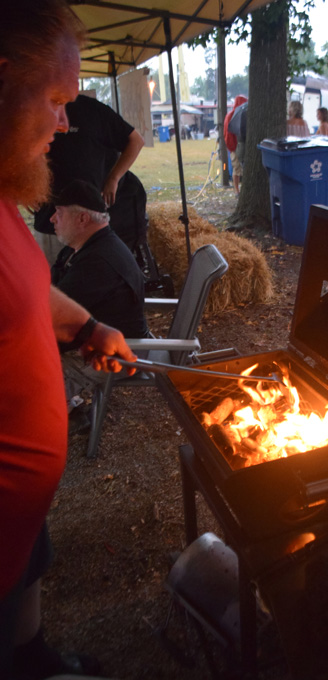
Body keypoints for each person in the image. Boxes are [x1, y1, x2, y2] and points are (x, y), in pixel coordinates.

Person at [0, 3, 137, 678]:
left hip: (19, 516)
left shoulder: (1, 198)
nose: (64, 123)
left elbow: (21, 289)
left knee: (28, 579)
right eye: (55, 101)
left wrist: (83, 325)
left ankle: (33, 656)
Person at [50, 180, 149, 422]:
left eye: (59, 213)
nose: (52, 219)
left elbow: (51, 320)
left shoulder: (98, 262)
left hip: (117, 355)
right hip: (98, 345)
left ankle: (51, 408)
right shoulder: (86, 248)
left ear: (82, 219)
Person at [33, 93, 145, 264]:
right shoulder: (33, 110)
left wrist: (113, 178)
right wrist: (28, 188)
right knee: (52, 278)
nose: (62, 123)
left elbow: (135, 141)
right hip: (49, 217)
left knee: (87, 275)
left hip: (87, 220)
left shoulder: (92, 110)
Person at [223, 95, 248, 195]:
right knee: (237, 168)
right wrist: (233, 147)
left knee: (240, 168)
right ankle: (236, 190)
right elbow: (229, 135)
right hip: (235, 147)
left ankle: (240, 189)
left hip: (240, 146)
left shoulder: (238, 115)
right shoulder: (231, 116)